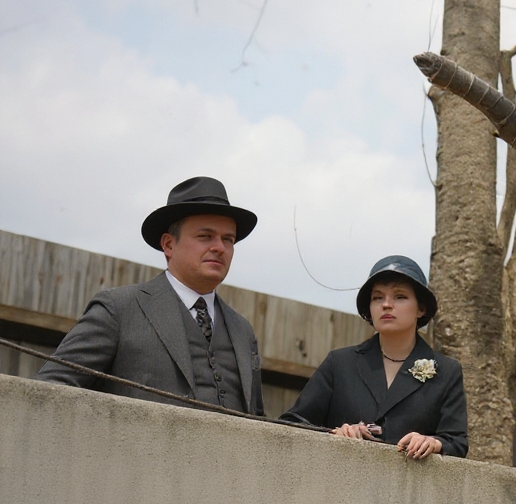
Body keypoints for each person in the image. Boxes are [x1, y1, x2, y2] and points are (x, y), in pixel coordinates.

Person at [37, 176, 265, 415]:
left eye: (227, 239)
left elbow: (258, 420)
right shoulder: (119, 310)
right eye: (205, 236)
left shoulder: (243, 331)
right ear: (168, 244)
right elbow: (50, 389)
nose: (219, 247)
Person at [280, 256, 468, 459]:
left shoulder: (447, 372)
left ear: (421, 308)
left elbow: (457, 443)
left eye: (400, 296)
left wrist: (433, 443)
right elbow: (291, 423)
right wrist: (334, 433)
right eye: (377, 297)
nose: (386, 305)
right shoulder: (339, 363)